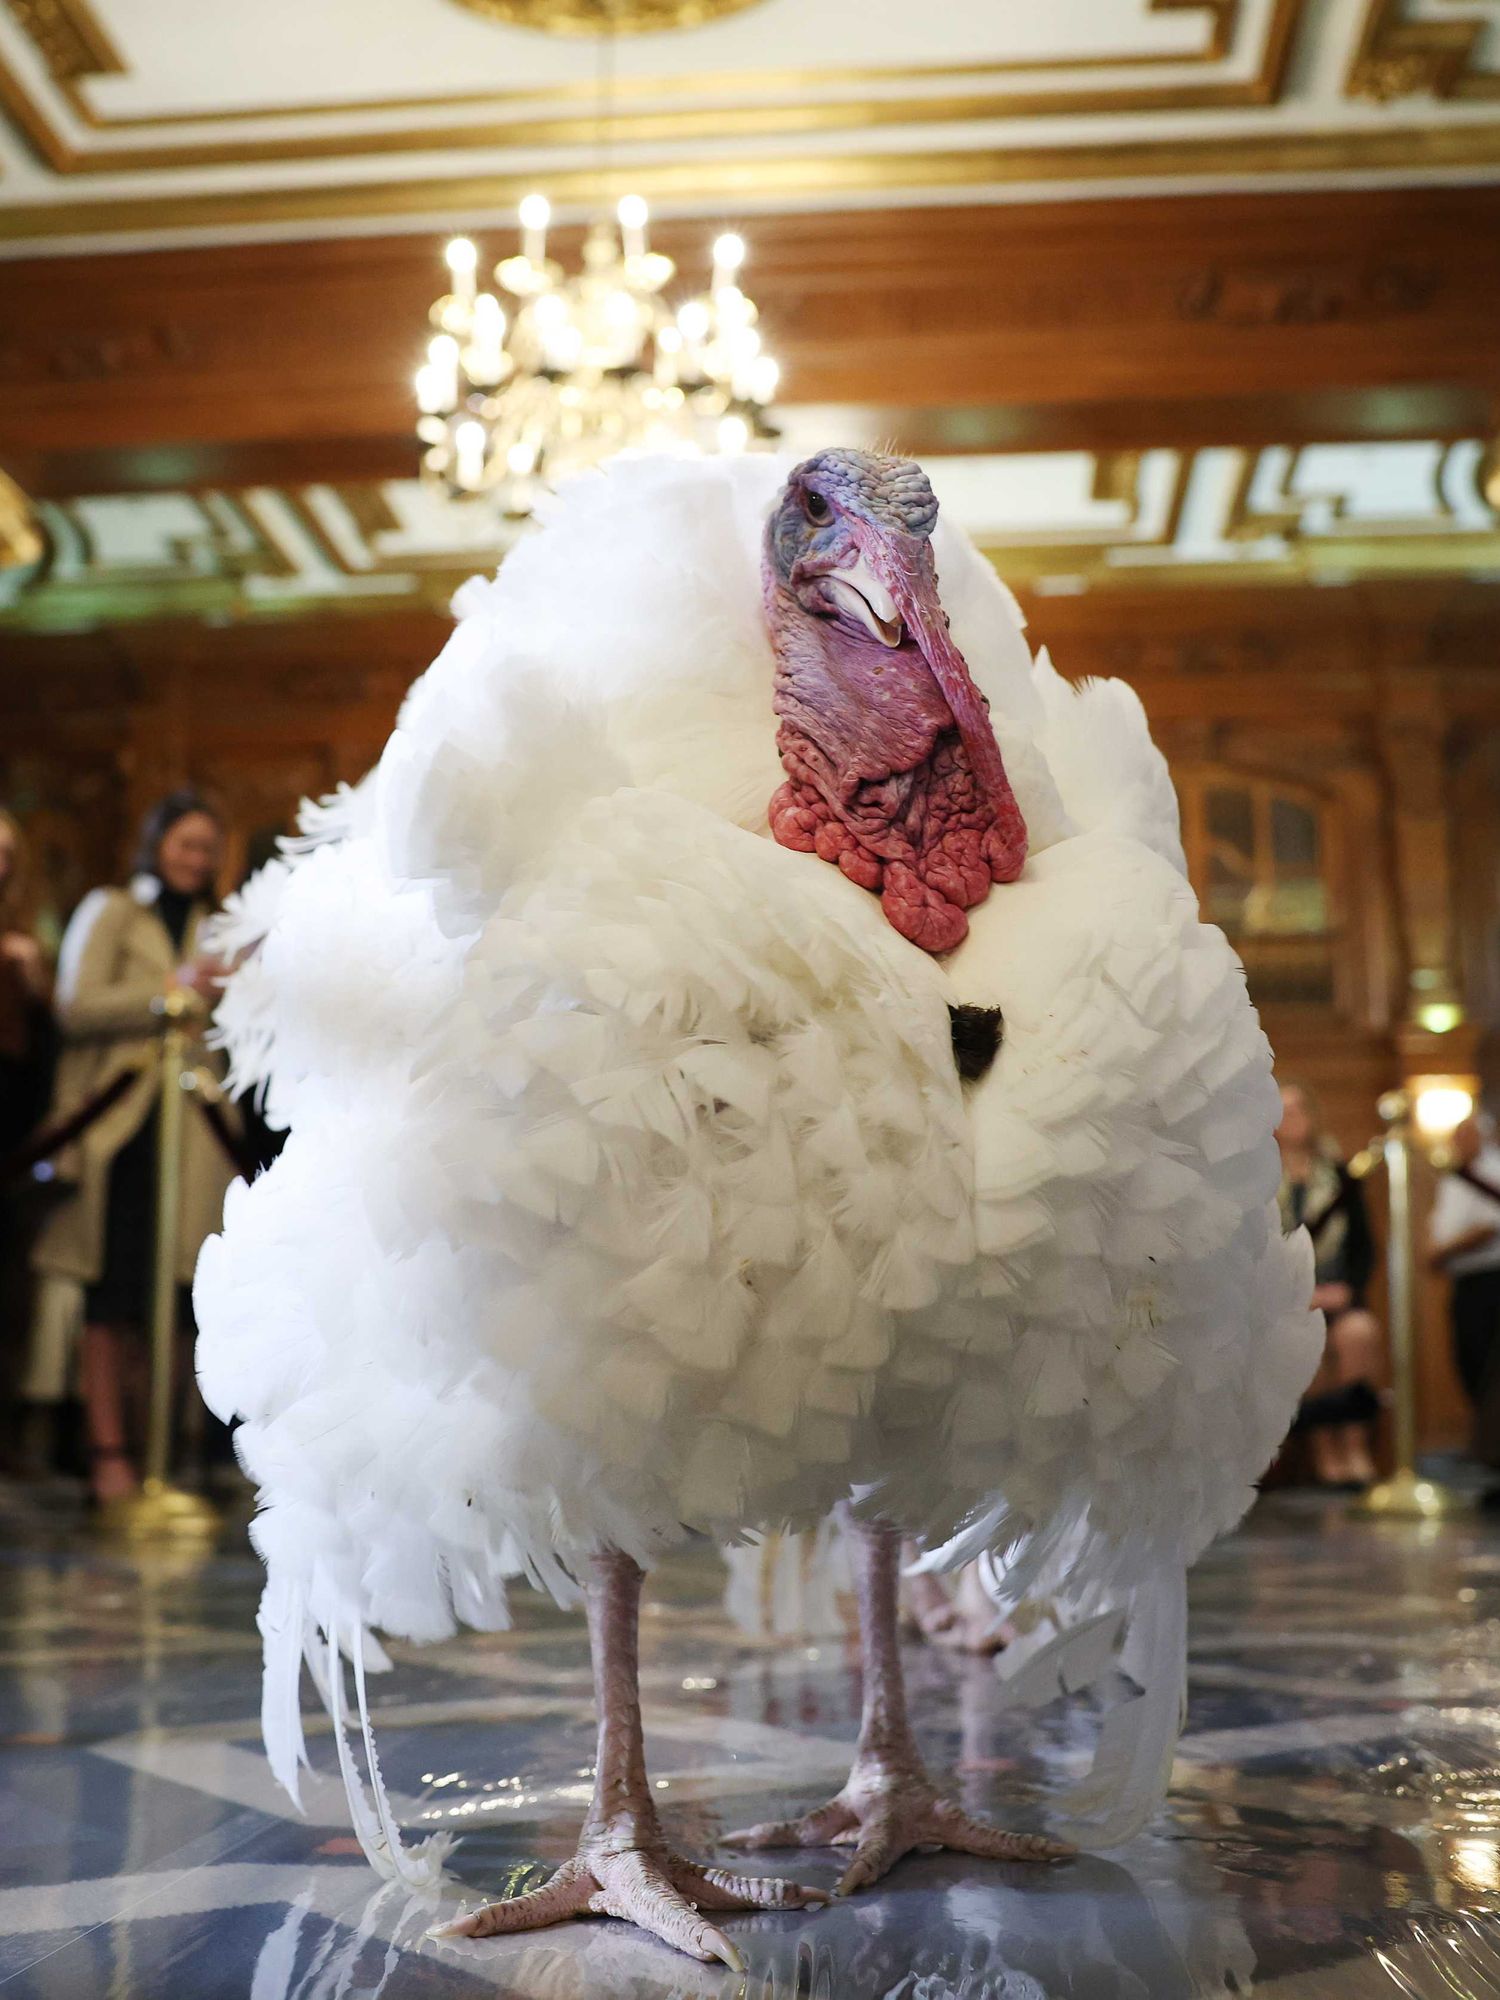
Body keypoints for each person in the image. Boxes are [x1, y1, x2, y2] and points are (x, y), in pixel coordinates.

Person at [27, 790, 237, 1505]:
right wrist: (168, 991)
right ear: (157, 844)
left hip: (195, 1132)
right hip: (120, 1127)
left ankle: (165, 1453)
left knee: (182, 1294)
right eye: (185, 843)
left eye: (207, 847)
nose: (196, 858)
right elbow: (75, 1006)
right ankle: (110, 1452)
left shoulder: (221, 925)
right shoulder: (113, 909)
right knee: (112, 1292)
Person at [1276, 1080, 1381, 1489]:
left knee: (1359, 1334)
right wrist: (1297, 1296)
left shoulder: (1341, 1175)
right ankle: (1326, 1454)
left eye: (1299, 1108)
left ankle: (1355, 1447)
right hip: (1284, 1303)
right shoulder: (1260, 1180)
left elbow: (1364, 1248)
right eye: (1283, 1110)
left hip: (1339, 1294)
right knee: (1308, 1341)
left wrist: (1348, 1291)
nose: (1292, 1118)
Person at [0, 809, 56, 1469]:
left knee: (14, 1291)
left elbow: (44, 1043)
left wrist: (33, 980)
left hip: (14, 1139)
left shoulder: (24, 939)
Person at [1429, 1111, 1500, 1463]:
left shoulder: (1492, 1171)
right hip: (1464, 1282)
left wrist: (1441, 1251)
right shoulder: (1454, 1177)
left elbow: (1489, 1226)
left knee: (1490, 1367)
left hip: (1491, 1279)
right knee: (1469, 1360)